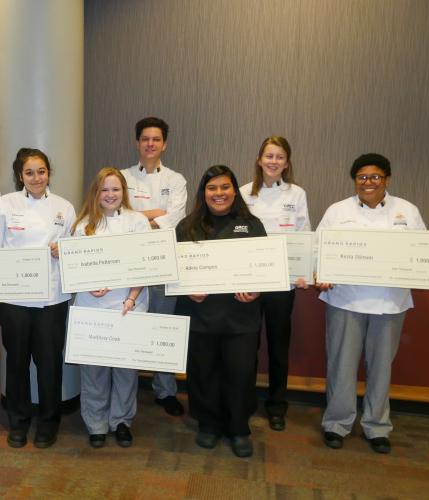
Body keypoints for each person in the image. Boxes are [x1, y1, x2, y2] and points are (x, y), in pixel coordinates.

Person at [315, 153, 429, 454]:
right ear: (354, 180)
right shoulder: (338, 211)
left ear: (386, 178)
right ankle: (336, 423)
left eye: (375, 176)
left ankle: (376, 426)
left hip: (390, 302)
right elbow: (319, 249)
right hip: (346, 300)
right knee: (341, 367)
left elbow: (424, 252)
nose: (368, 182)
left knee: (381, 368)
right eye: (362, 177)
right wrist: (322, 272)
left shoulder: (407, 211)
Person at [0, 148, 76, 449]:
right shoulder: (5, 205)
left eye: (41, 171)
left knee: (49, 362)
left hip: (52, 298)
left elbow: (77, 253)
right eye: (29, 172)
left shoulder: (65, 208)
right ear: (19, 176)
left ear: (49, 173)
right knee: (18, 361)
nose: (36, 178)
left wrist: (64, 252)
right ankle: (19, 420)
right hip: (15, 298)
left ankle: (49, 421)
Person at [175, 165, 266, 458]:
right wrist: (186, 287)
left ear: (234, 191)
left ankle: (238, 428)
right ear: (204, 192)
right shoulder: (187, 227)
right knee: (203, 373)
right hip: (200, 316)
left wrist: (257, 290)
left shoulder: (252, 225)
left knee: (240, 374)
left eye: (225, 187)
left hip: (241, 318)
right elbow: (173, 271)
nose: (219, 194)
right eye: (212, 188)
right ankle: (209, 425)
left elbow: (265, 268)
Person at [71, 167, 150, 448]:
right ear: (96, 192)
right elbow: (76, 267)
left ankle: (121, 421)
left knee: (125, 370)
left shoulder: (138, 222)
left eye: (115, 189)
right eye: (104, 189)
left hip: (130, 304)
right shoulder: (83, 226)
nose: (110, 195)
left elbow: (146, 264)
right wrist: (89, 283)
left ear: (123, 192)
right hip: (92, 304)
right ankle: (96, 422)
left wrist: (131, 298)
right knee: (94, 370)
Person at [239, 136, 311, 431]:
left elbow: (304, 232)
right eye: (269, 156)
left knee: (279, 345)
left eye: (279, 157)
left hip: (283, 282)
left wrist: (304, 269)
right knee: (247, 344)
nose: (273, 162)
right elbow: (237, 237)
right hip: (250, 281)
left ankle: (277, 405)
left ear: (286, 162)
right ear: (259, 159)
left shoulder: (297, 194)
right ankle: (244, 402)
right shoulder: (243, 193)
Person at [121, 117, 187, 417]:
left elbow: (174, 219)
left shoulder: (176, 180)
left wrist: (137, 216)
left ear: (164, 144)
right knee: (128, 325)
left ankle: (165, 390)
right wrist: (151, 214)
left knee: (163, 325)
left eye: (156, 139)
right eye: (145, 139)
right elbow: (117, 215)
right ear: (137, 143)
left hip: (162, 263)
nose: (150, 144)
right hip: (127, 264)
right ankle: (125, 387)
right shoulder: (121, 178)